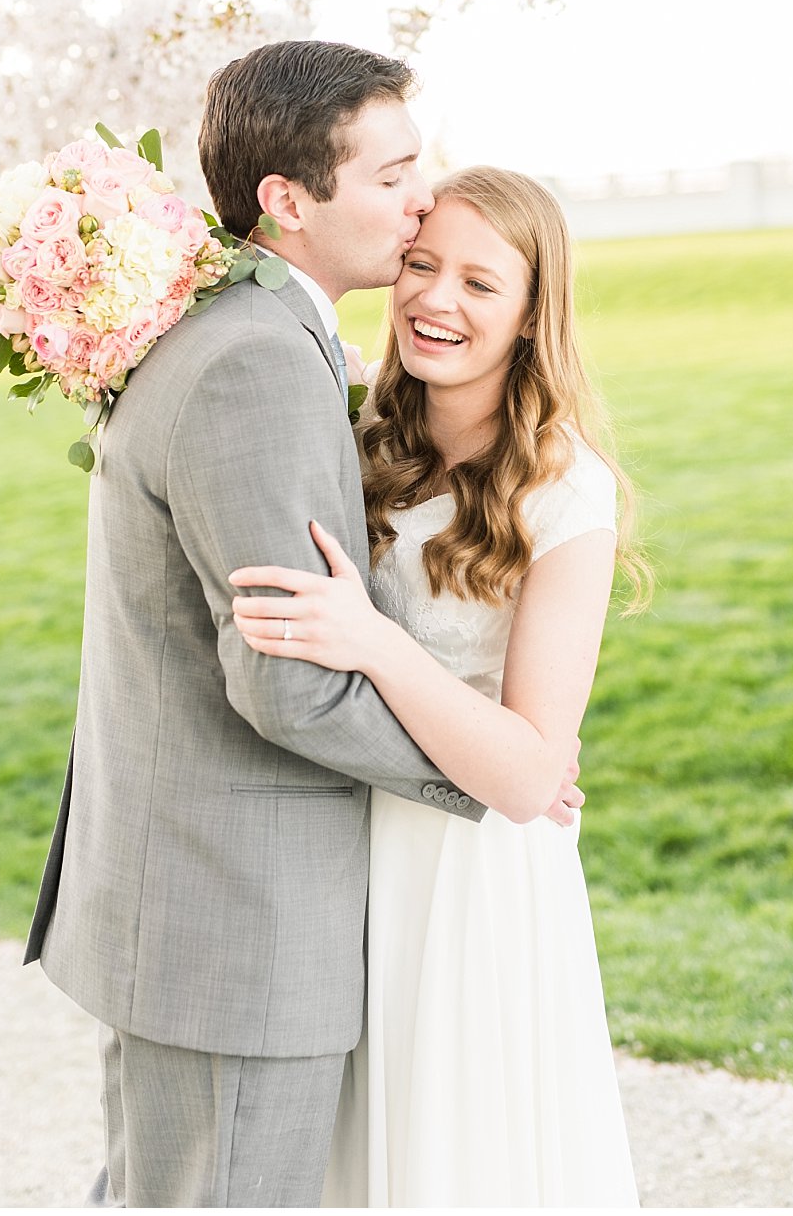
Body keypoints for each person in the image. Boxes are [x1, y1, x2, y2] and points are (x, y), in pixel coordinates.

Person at [24, 39, 581, 1207]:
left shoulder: (232, 330)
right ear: (287, 201)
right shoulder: (258, 364)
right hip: (234, 920)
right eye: (390, 176)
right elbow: (285, 678)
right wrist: (491, 776)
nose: (416, 197)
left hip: (210, 903)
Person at [227, 166, 647, 1206]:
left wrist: (373, 642)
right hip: (342, 856)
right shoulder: (355, 437)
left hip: (471, 886)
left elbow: (521, 776)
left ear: (528, 314)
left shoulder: (563, 489)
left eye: (476, 282)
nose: (434, 299)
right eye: (419, 266)